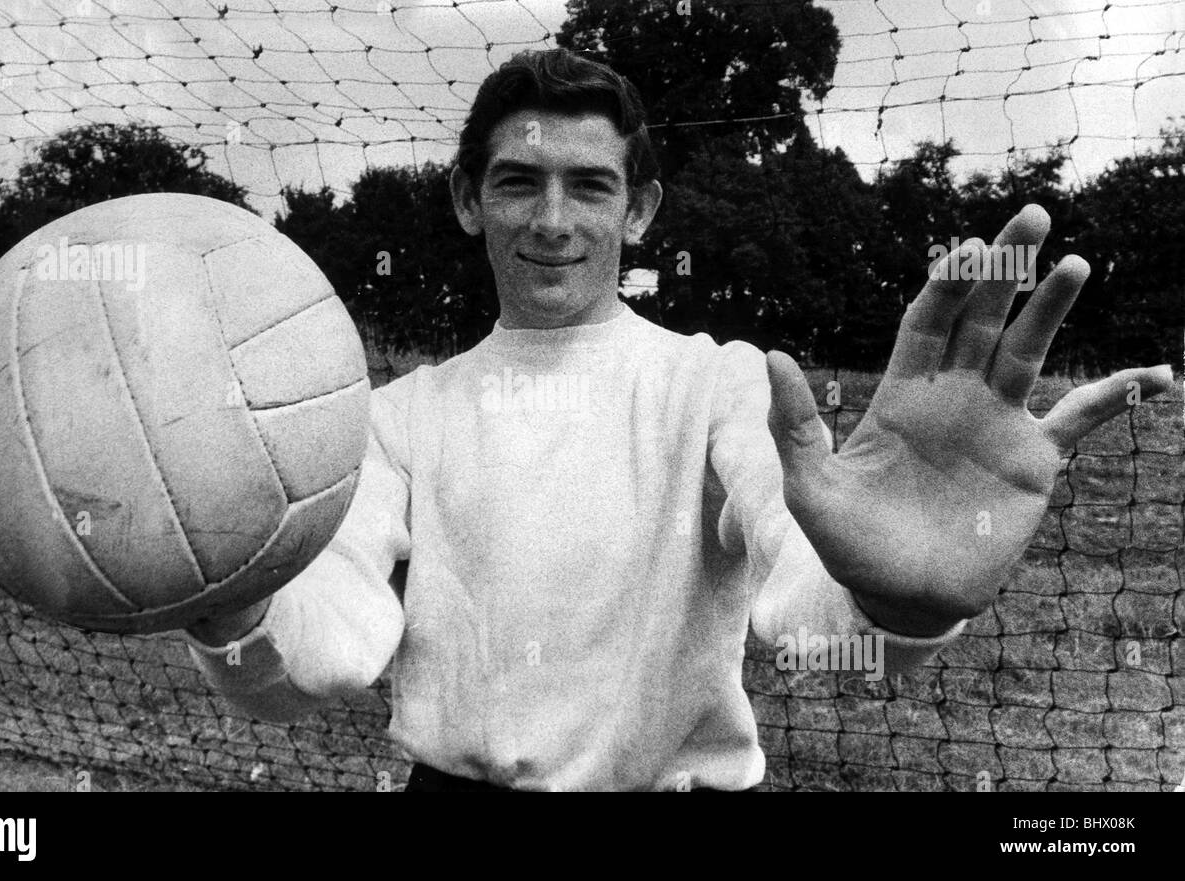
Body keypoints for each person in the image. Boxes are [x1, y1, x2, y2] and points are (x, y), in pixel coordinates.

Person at [183, 48, 1175, 791]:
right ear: (467, 200)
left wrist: (906, 602)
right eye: (518, 181)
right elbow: (324, 652)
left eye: (591, 184)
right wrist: (230, 600)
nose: (553, 220)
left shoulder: (718, 386)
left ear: (642, 209)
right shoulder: (398, 417)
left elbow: (803, 611)